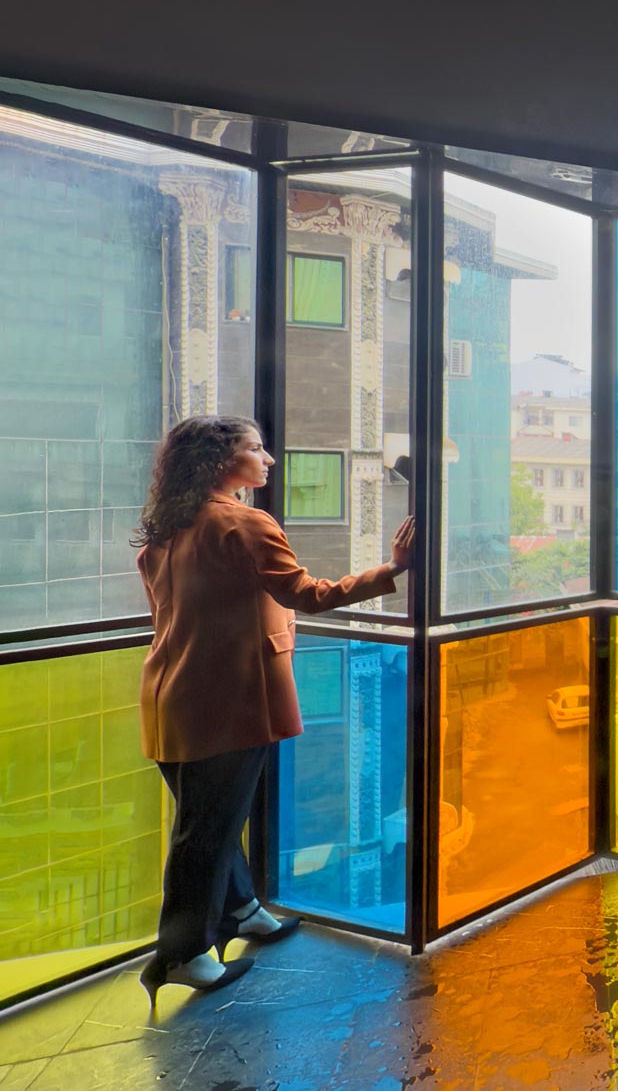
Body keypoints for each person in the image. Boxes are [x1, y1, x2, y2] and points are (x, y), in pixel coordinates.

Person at [133, 416, 414, 1011]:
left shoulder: (166, 530)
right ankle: (182, 954)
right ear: (219, 463)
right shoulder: (243, 523)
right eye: (256, 450)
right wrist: (391, 571)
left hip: (169, 697)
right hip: (227, 700)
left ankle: (242, 911)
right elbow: (307, 594)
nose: (269, 460)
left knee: (205, 818)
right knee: (204, 833)